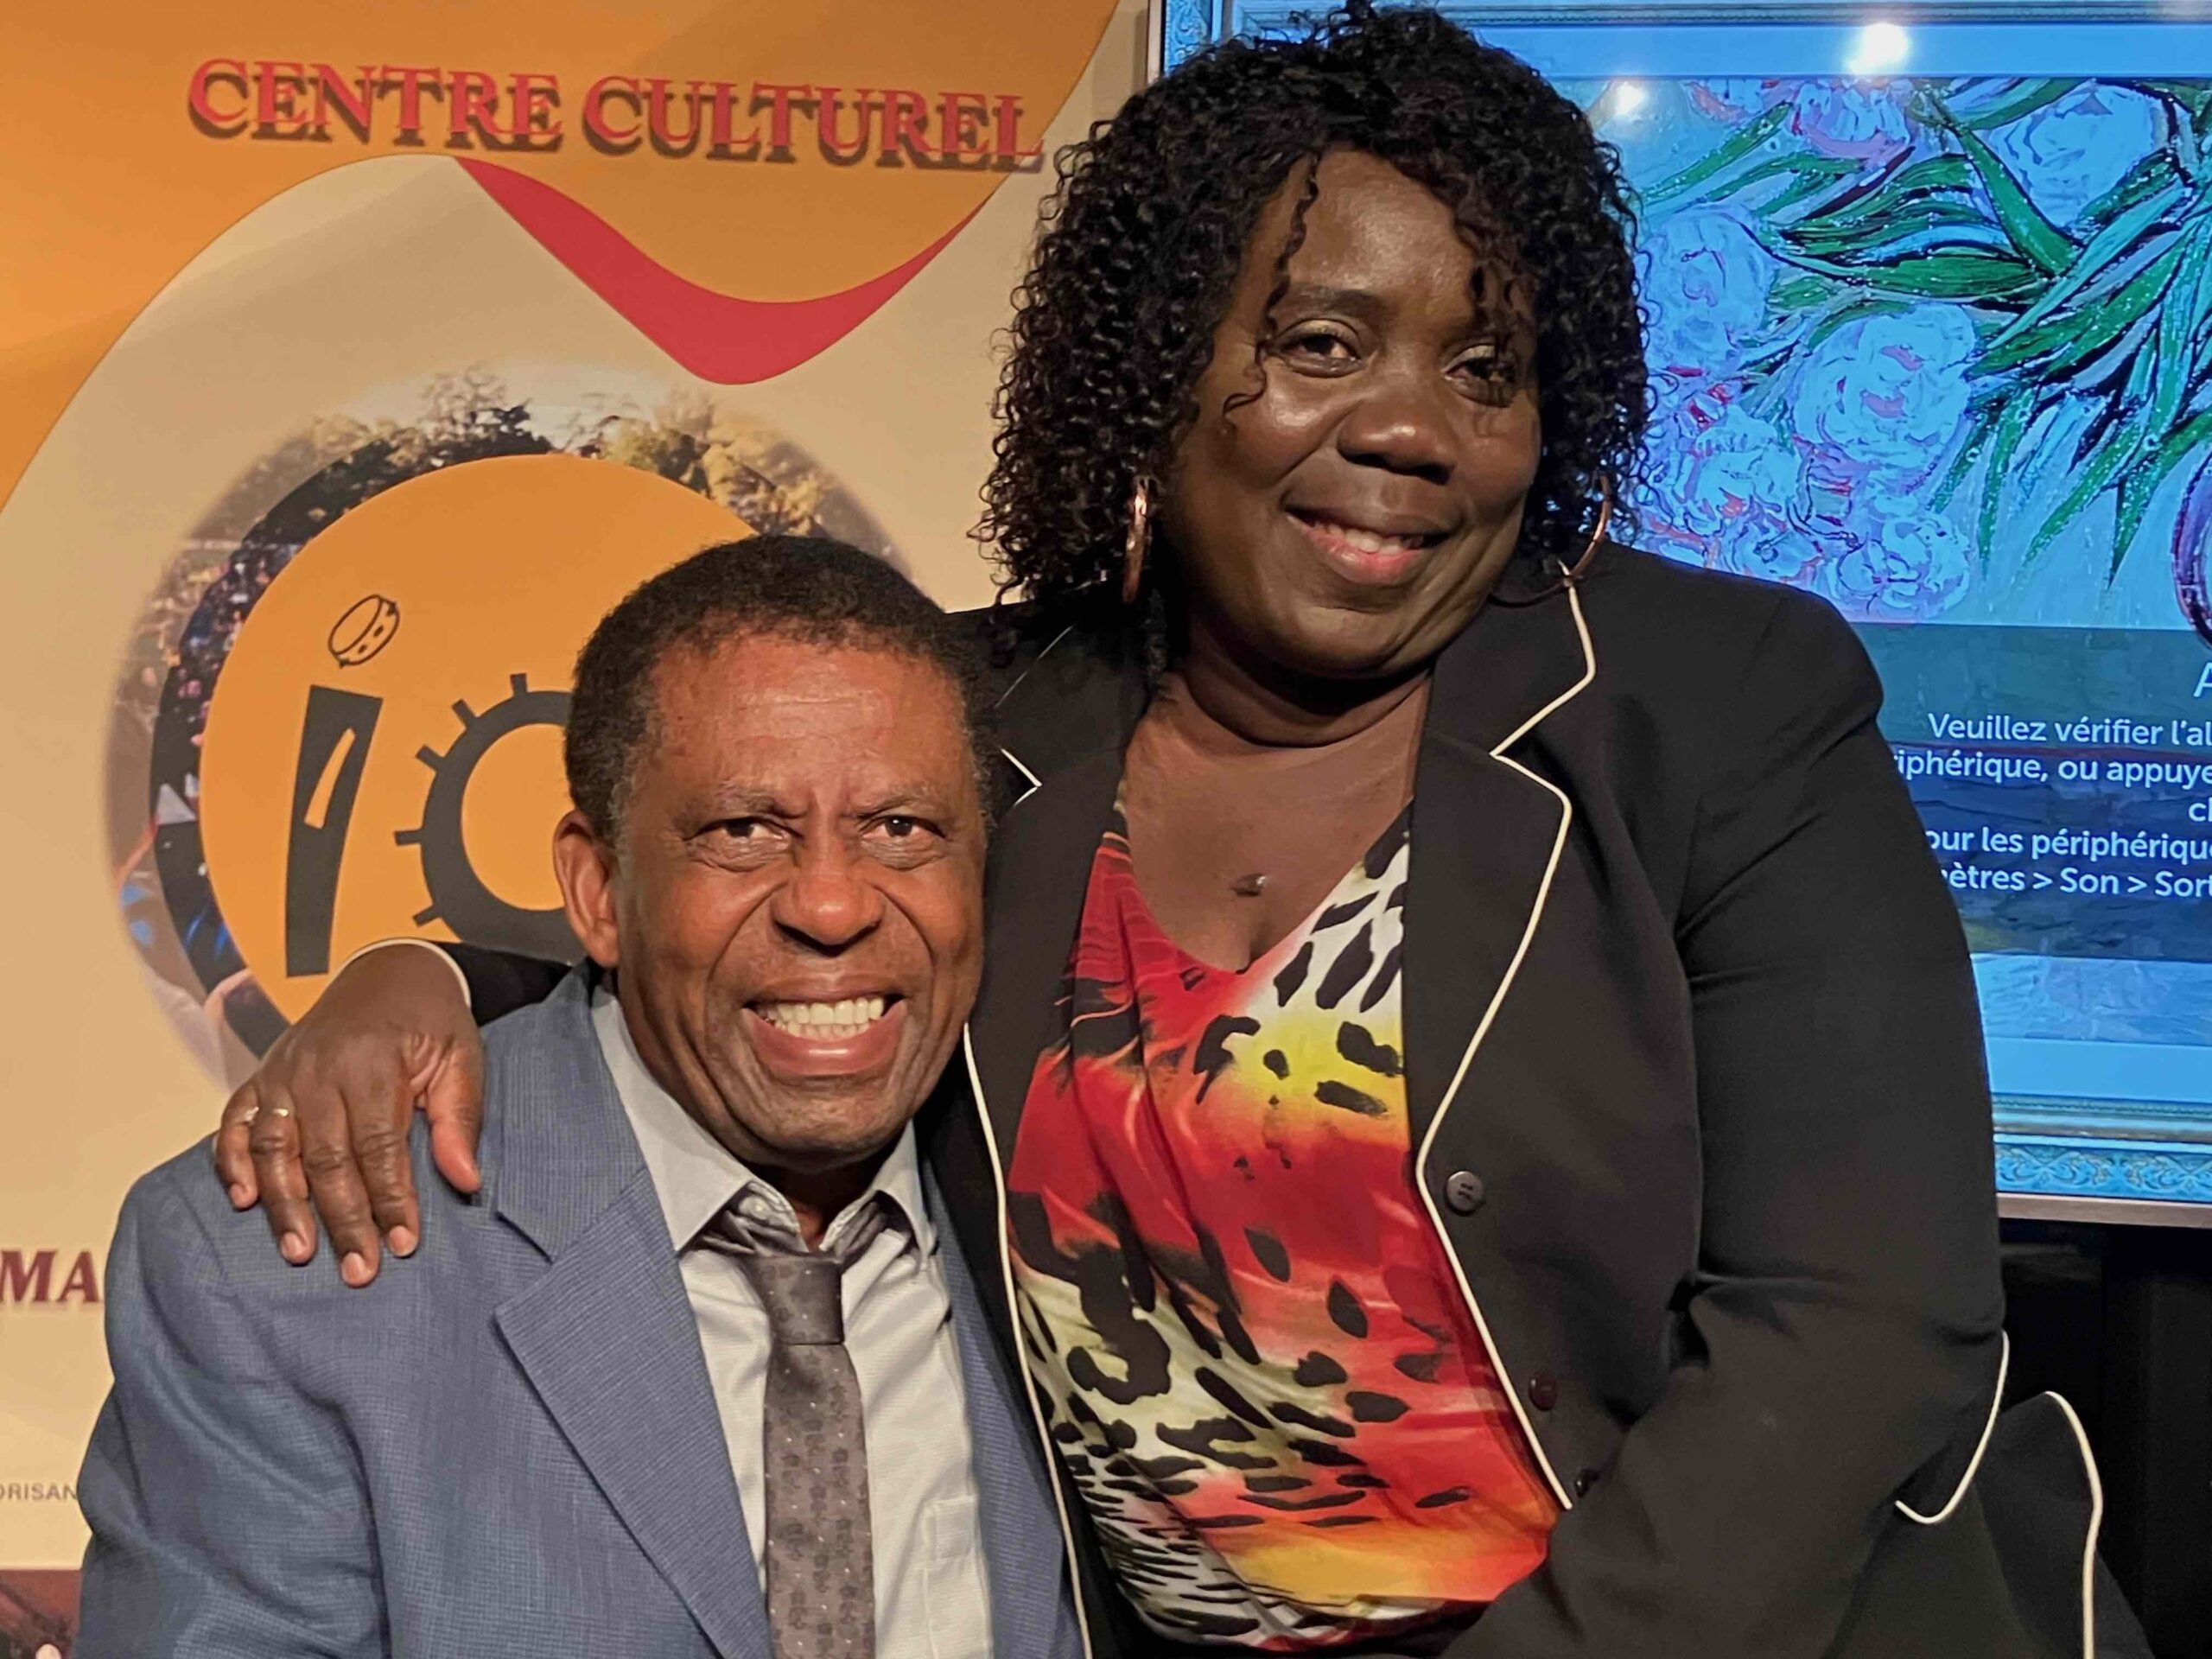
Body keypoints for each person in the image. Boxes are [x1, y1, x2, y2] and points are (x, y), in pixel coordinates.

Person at [203, 9, 2145, 1657]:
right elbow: (757, 928)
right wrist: (424, 977)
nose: (1413, 427)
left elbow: (1857, 1321)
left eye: (1485, 370)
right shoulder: (987, 714)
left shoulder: (1716, 705)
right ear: (1152, 371)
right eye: (1321, 344)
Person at [79, 539, 1083, 1659]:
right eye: (743, 832)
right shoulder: (276, 1269)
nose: (833, 905)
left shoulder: (1101, 1205)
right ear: (599, 890)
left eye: (901, 829)